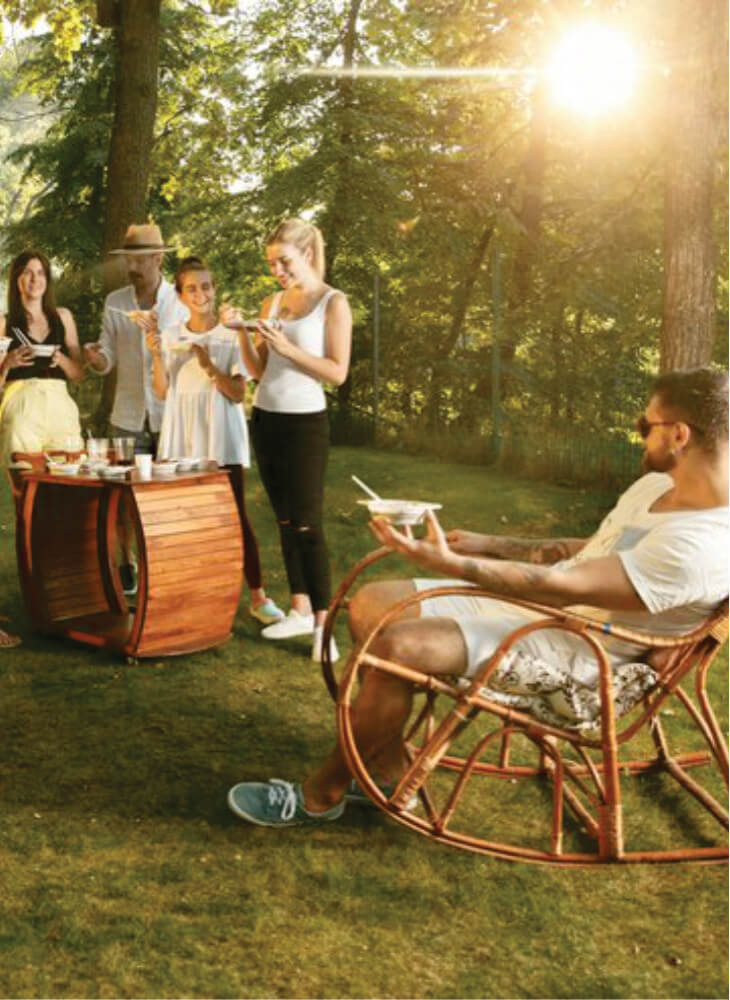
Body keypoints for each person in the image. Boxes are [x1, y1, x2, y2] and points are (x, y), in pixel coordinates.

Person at [226, 367, 729, 827]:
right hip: (552, 615)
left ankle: (321, 794)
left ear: (680, 434)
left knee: (395, 647)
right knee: (374, 602)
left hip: (587, 655)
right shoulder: (655, 488)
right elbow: (588, 553)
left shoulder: (704, 543)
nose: (640, 433)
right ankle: (386, 763)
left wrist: (454, 566)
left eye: (647, 425)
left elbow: (564, 585)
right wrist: (492, 544)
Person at [225, 218, 352, 662]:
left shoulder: (333, 303)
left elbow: (337, 372)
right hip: (266, 418)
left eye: (284, 261)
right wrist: (241, 334)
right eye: (272, 263)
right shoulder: (273, 301)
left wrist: (289, 349)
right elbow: (259, 371)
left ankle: (324, 626)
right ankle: (298, 609)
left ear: (308, 254)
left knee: (307, 525)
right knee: (283, 520)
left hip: (304, 424)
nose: (277, 271)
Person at [148, 256, 284, 625]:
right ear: (179, 294)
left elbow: (239, 393)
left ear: (214, 288)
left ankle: (258, 597)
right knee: (182, 519)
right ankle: (191, 596)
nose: (201, 293)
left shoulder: (230, 334)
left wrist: (208, 365)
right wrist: (158, 355)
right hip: (181, 436)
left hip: (220, 434)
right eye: (192, 287)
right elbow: (162, 392)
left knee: (235, 515)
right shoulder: (172, 333)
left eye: (206, 286)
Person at [84, 223, 188, 594]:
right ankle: (126, 566)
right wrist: (96, 359)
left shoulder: (179, 302)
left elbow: (191, 354)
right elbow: (107, 355)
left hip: (170, 416)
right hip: (126, 415)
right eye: (130, 258)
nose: (134, 265)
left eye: (141, 259)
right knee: (123, 495)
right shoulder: (116, 302)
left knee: (168, 496)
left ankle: (163, 565)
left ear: (158, 258)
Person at [0, 250, 84, 466]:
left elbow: (78, 374)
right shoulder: (3, 323)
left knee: (70, 474)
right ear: (16, 279)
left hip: (60, 405)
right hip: (21, 404)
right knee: (24, 474)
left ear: (47, 279)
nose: (35, 279)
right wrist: (7, 364)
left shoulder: (63, 317)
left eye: (41, 273)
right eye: (27, 273)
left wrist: (62, 360)